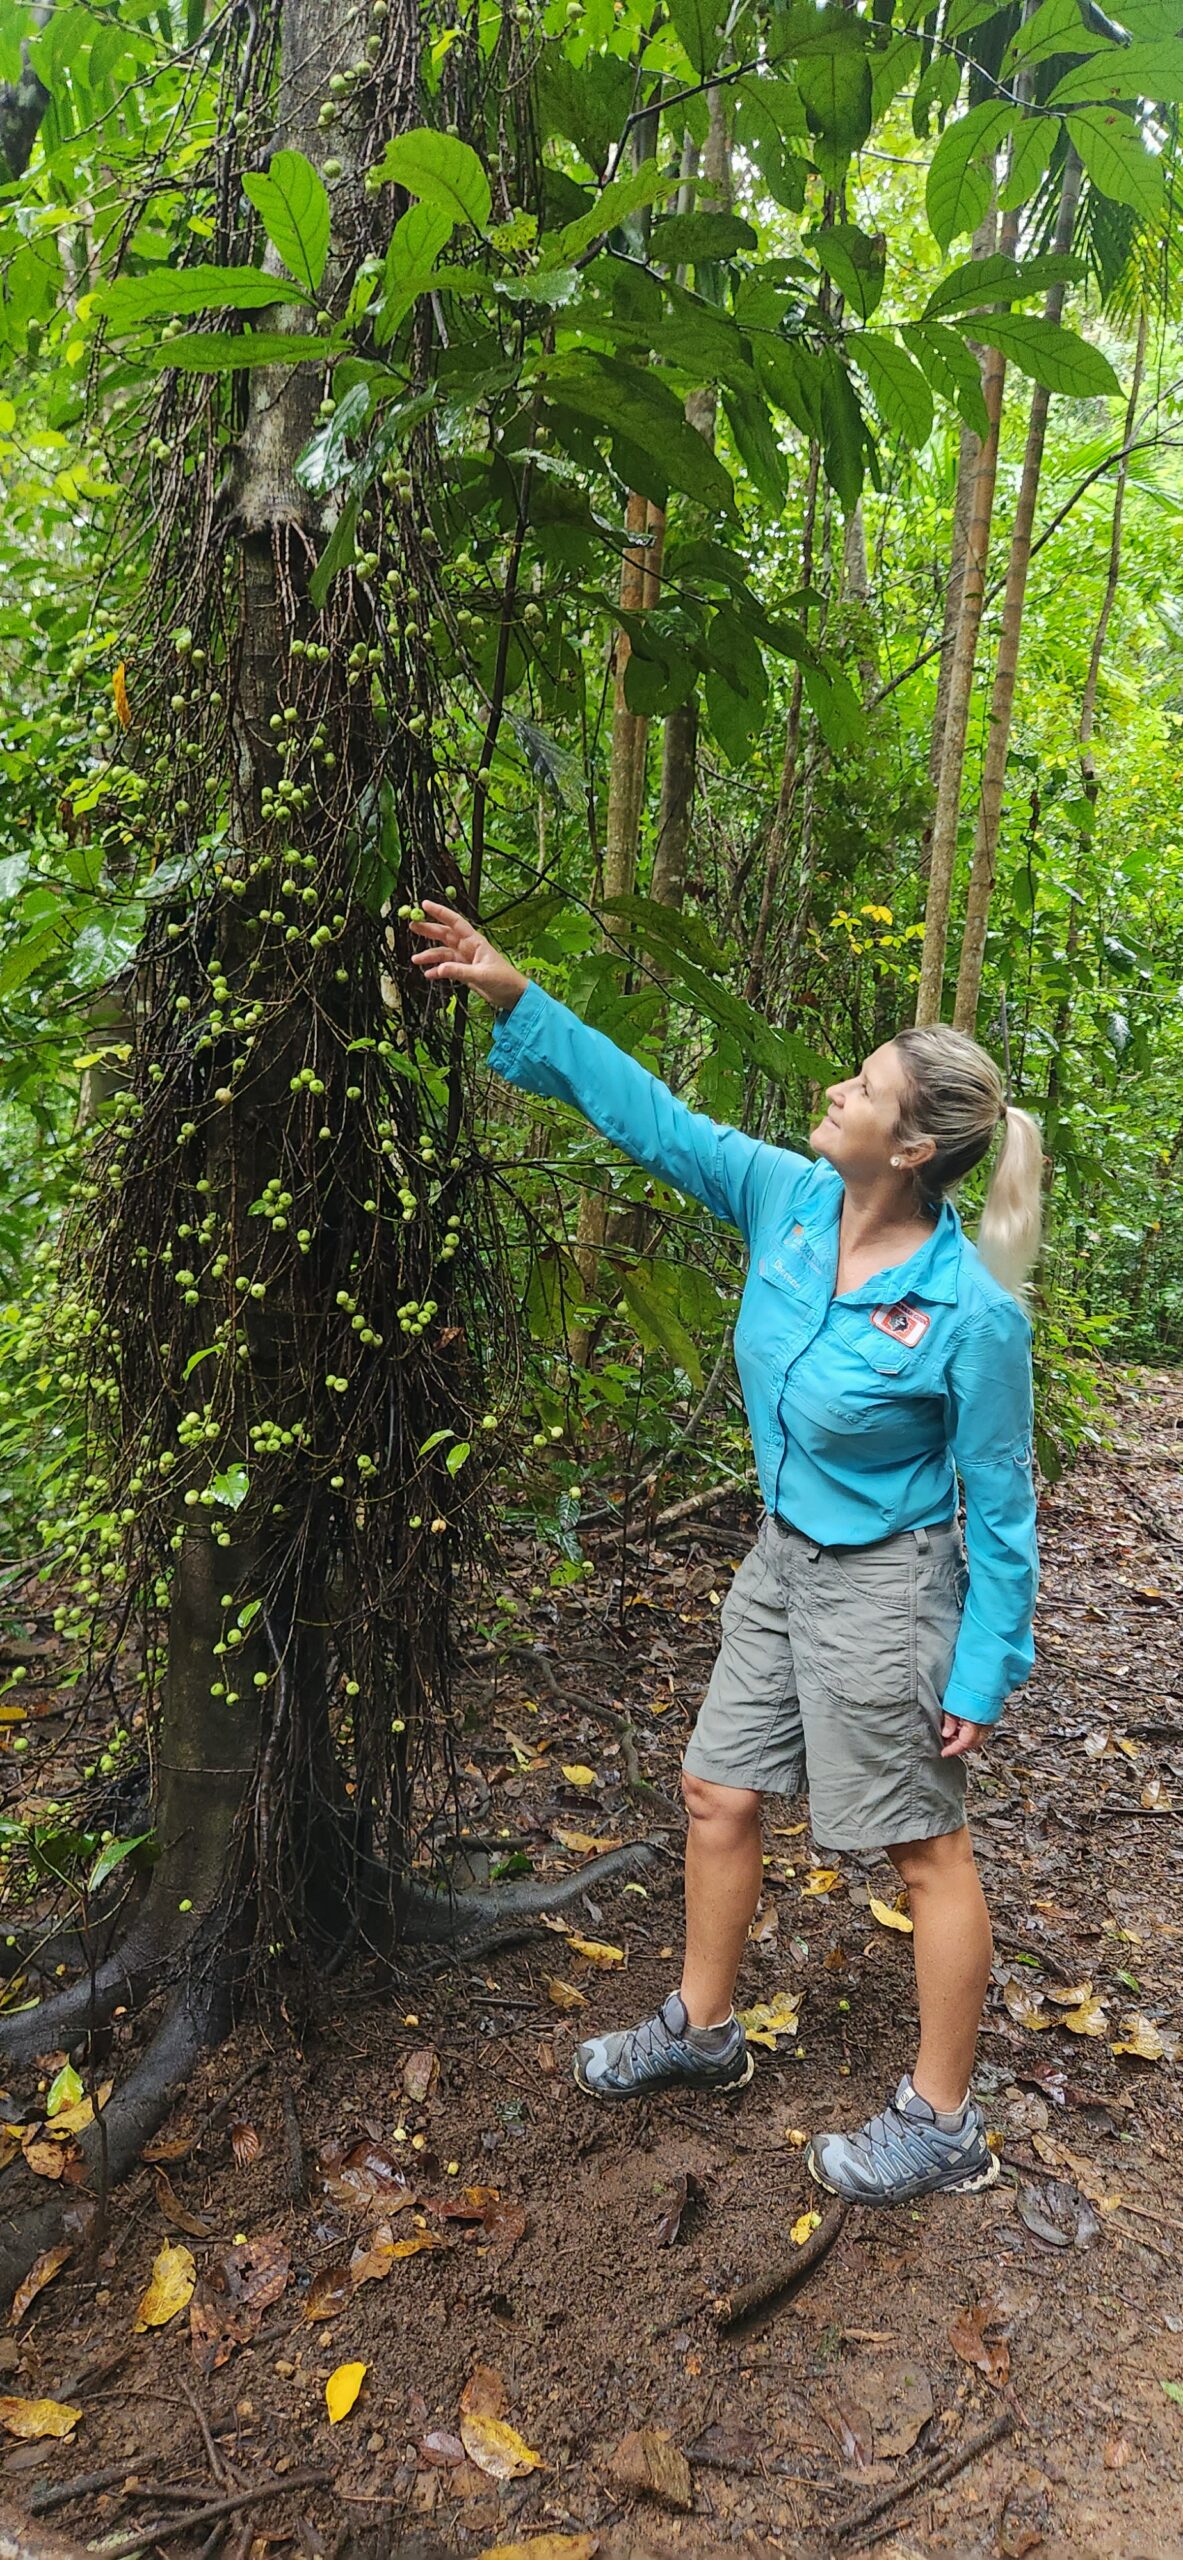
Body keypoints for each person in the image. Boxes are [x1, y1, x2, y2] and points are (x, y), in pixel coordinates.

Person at [410, 900, 1042, 2207]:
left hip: (891, 1584)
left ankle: (942, 2121)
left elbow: (1004, 1503)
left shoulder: (969, 1316)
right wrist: (517, 999)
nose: (835, 1089)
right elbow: (657, 1120)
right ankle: (700, 2033)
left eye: (862, 1087)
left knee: (920, 1846)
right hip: (781, 1561)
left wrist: (982, 1671)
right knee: (718, 1793)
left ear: (912, 1145)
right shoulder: (791, 1199)